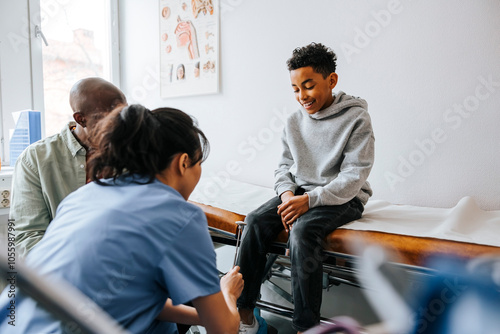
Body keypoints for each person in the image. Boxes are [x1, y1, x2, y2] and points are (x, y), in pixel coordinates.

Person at [0, 104, 243, 333]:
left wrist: (201, 314)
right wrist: (227, 294)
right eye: (199, 163)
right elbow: (223, 329)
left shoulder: (85, 195)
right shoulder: (181, 216)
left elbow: (127, 297)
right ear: (183, 162)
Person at [236, 43, 375, 333]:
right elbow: (282, 168)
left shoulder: (356, 118)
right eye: (295, 89)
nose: (302, 96)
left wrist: (308, 201)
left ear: (331, 81)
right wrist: (287, 196)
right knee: (254, 221)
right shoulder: (293, 122)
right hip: (299, 194)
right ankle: (245, 316)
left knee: (302, 232)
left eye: (309, 86)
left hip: (343, 197)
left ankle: (305, 328)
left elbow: (354, 176)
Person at [12, 77, 127, 258]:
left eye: (123, 114)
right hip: (59, 274)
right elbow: (27, 237)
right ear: (81, 119)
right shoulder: (34, 159)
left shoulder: (131, 153)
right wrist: (74, 267)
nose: (121, 124)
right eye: (110, 118)